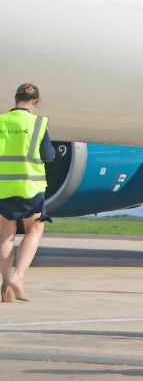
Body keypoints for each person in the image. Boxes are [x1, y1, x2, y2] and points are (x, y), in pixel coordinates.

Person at [0, 84, 56, 303]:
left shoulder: (2, 121)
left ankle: (6, 285)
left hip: (3, 187)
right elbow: (49, 155)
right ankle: (17, 276)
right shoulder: (38, 124)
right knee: (35, 229)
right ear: (35, 103)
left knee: (6, 234)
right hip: (30, 187)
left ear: (15, 100)